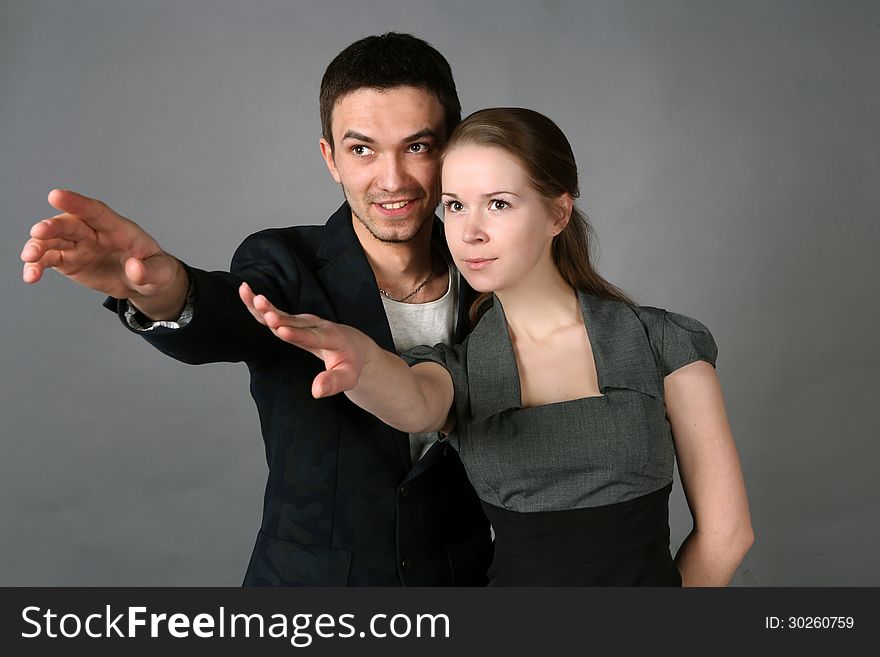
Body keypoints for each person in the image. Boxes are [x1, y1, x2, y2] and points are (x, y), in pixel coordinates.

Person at [19, 33, 493, 586]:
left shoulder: (492, 275)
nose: (392, 180)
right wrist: (158, 291)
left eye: (418, 146)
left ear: (453, 149)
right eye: (362, 149)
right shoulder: (285, 263)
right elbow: (229, 316)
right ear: (331, 159)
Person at [241, 107, 755, 586]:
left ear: (558, 213)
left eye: (499, 205)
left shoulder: (659, 341)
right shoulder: (460, 366)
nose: (470, 233)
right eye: (456, 206)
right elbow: (414, 402)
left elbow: (727, 534)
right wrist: (363, 361)